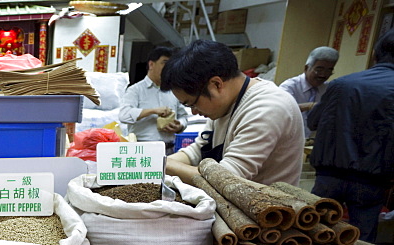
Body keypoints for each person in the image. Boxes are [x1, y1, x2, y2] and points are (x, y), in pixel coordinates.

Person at [161, 39, 304, 186]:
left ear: (216, 84)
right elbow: (197, 151)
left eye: (193, 103)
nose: (194, 111)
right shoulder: (223, 104)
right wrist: (159, 161)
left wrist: (161, 165)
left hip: (268, 205)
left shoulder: (267, 107)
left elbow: (226, 178)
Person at [307, 29, 394, 243]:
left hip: (328, 177)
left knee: (313, 237)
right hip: (371, 182)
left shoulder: (341, 84)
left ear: (375, 54)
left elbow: (313, 121)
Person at [118, 46, 189, 154]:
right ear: (151, 64)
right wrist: (153, 111)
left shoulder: (173, 91)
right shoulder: (136, 90)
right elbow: (124, 115)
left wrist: (179, 125)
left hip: (169, 150)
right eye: (164, 62)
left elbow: (183, 115)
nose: (168, 68)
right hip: (143, 150)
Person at [279, 46, 339, 138]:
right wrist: (312, 106)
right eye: (319, 70)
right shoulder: (289, 86)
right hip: (287, 139)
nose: (324, 75)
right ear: (307, 68)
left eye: (329, 70)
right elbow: (282, 109)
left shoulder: (328, 89)